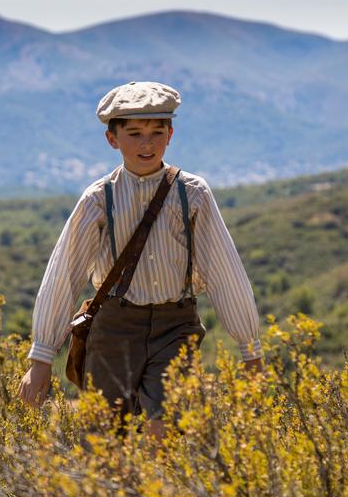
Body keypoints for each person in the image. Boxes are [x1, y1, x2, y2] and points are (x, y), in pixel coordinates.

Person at [17, 81, 262, 437]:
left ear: (170, 134)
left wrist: (250, 350)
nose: (146, 143)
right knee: (104, 440)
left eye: (156, 132)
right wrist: (40, 359)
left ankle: (157, 490)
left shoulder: (192, 193)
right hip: (114, 328)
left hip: (176, 325)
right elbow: (64, 276)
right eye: (134, 133)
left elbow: (225, 273)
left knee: (163, 431)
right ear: (112, 139)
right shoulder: (99, 198)